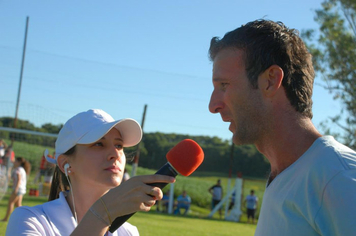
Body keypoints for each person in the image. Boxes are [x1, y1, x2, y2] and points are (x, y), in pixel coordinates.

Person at [208, 19, 356, 235]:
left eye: (224, 85)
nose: (213, 105)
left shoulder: (337, 178)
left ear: (270, 80)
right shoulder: (286, 176)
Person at [6, 109, 175, 235]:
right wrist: (102, 213)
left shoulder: (128, 232)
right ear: (65, 163)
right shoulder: (29, 220)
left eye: (119, 145)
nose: (115, 154)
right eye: (99, 144)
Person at [2, 157, 31, 221]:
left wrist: (16, 188)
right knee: (18, 205)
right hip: (22, 189)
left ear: (19, 162)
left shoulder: (18, 169)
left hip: (18, 189)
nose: (14, 162)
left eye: (16, 161)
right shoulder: (22, 169)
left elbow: (19, 179)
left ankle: (6, 218)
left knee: (11, 203)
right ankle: (24, 217)